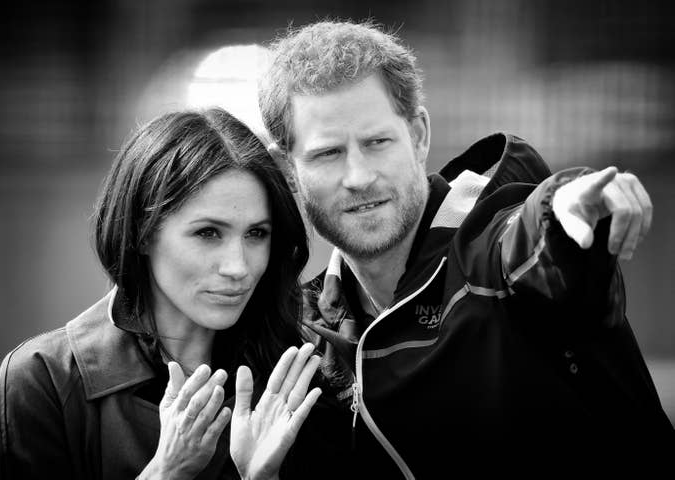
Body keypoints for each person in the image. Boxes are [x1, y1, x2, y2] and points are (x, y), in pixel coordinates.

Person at [258, 20, 675, 477]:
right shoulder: (305, 337)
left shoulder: (489, 250)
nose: (358, 176)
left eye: (377, 142)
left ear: (418, 136)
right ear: (289, 170)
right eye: (327, 154)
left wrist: (565, 205)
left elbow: (530, 236)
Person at [0, 108, 322, 480]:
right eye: (208, 233)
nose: (238, 267)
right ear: (143, 233)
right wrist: (166, 472)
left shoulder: (297, 369)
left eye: (256, 234)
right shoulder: (43, 381)